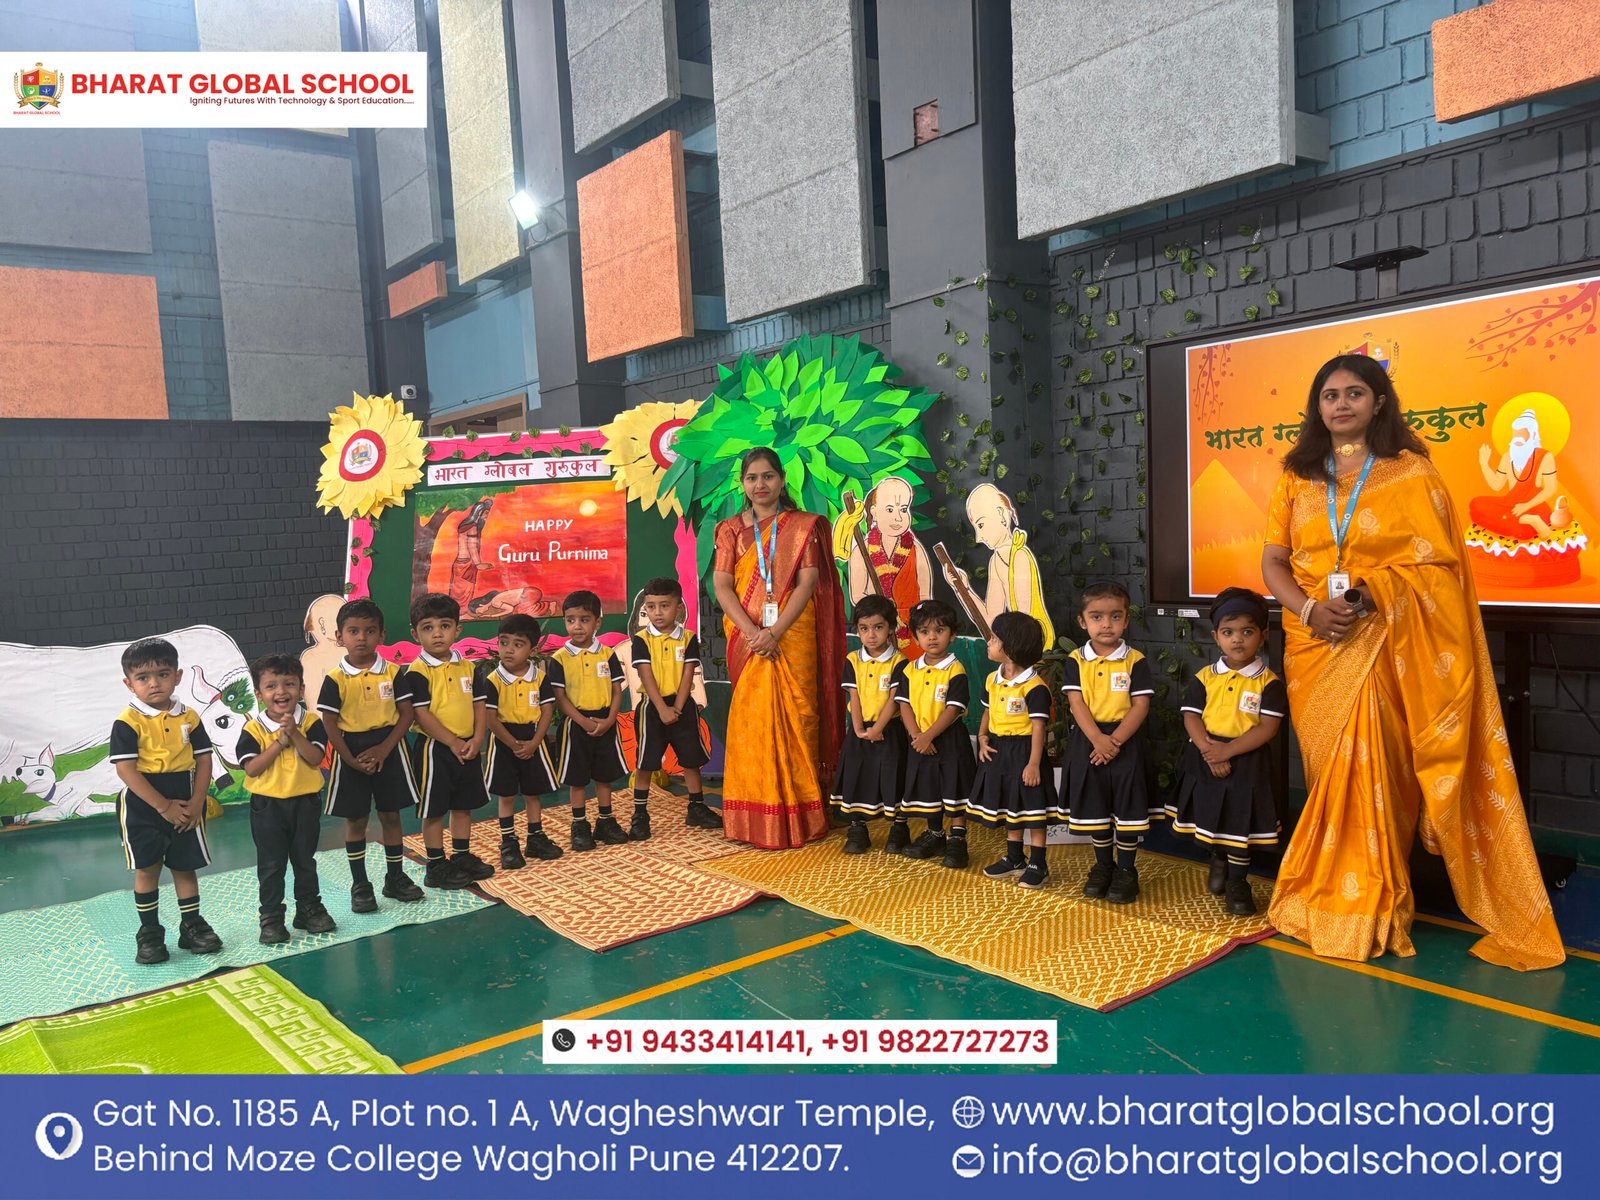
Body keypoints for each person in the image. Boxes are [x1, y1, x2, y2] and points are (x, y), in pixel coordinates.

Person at [1261, 353, 1563, 969]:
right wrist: (1310, 610)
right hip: (1315, 643)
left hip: (1386, 641)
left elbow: (1440, 571)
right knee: (1330, 774)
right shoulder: (1296, 476)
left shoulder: (1411, 471)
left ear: (1379, 402)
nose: (1341, 404)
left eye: (1354, 393)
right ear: (1317, 407)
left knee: (1378, 777)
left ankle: (1371, 906)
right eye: (1329, 395)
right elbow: (1273, 561)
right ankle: (1320, 898)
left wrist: (1376, 592)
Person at [712, 447, 847, 849]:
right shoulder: (730, 531)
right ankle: (755, 817)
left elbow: (808, 582)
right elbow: (722, 586)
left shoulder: (803, 527)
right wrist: (754, 633)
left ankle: (805, 814)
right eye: (752, 478)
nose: (760, 485)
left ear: (782, 480)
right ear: (743, 484)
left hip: (793, 635)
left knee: (800, 717)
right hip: (748, 640)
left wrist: (774, 632)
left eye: (768, 476)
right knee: (752, 724)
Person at [1165, 588, 1286, 917]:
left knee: (1239, 824)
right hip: (1206, 757)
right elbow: (1191, 717)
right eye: (1229, 632)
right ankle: (1217, 860)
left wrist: (1228, 751)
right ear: (1216, 637)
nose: (1238, 640)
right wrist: (1209, 751)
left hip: (1246, 761)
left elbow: (1267, 728)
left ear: (1263, 636)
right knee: (1213, 817)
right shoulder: (1204, 678)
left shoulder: (1269, 683)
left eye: (1247, 631)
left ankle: (1238, 882)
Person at [109, 637, 222, 964]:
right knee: (148, 868)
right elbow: (126, 770)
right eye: (143, 677)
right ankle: (150, 933)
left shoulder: (190, 716)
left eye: (162, 674)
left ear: (178, 676)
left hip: (186, 799)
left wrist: (198, 801)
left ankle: (192, 926)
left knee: (185, 867)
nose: (154, 683)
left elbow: (204, 759)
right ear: (129, 684)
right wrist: (163, 806)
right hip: (143, 804)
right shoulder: (127, 722)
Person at [317, 599, 425, 911]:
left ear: (382, 635)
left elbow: (406, 714)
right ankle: (360, 885)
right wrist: (350, 760)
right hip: (350, 751)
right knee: (356, 819)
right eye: (353, 631)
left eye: (369, 631)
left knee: (391, 816)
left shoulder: (393, 672)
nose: (361, 637)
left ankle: (395, 877)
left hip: (389, 748)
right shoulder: (334, 679)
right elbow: (329, 723)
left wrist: (384, 749)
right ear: (340, 637)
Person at [1062, 580, 1157, 903]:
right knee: (1096, 808)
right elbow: (1076, 703)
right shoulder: (1075, 659)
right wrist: (1097, 740)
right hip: (1088, 742)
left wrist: (1113, 742)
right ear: (1082, 621)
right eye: (1097, 617)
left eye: (1115, 616)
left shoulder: (1135, 660)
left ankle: (1127, 871)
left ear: (1126, 620)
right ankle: (1103, 866)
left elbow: (1140, 705)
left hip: (1125, 742)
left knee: (1128, 811)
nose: (1106, 624)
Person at [236, 654, 336, 944]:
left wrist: (294, 734)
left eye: (289, 684)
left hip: (306, 803)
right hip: (267, 807)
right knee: (271, 865)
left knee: (305, 860)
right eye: (271, 686)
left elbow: (315, 758)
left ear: (301, 689)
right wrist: (279, 743)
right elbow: (252, 768)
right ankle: (271, 918)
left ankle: (308, 909)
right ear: (259, 694)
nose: (281, 691)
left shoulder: (311, 722)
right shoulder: (253, 729)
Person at [400, 593, 495, 889]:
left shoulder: (469, 668)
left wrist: (478, 738)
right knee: (434, 809)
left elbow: (480, 704)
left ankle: (461, 855)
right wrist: (452, 742)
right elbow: (421, 713)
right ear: (415, 634)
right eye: (428, 628)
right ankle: (436, 864)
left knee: (463, 805)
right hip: (435, 750)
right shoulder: (417, 672)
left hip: (468, 747)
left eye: (444, 626)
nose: (437, 633)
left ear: (458, 629)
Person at [968, 612, 1059, 889]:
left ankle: (1038, 863)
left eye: (994, 638)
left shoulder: (1035, 687)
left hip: (1025, 751)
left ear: (1011, 646)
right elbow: (987, 712)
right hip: (999, 749)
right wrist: (983, 737)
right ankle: (1015, 858)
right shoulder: (991, 680)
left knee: (1032, 809)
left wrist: (1033, 764)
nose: (989, 642)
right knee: (1011, 806)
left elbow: (1039, 727)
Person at [629, 576, 719, 839]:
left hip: (682, 707)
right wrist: (662, 709)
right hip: (652, 706)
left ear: (679, 607)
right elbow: (645, 675)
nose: (657, 613)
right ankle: (640, 814)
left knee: (691, 759)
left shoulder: (688, 638)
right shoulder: (641, 640)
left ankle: (696, 807)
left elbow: (688, 673)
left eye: (664, 606)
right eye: (651, 607)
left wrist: (677, 708)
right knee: (646, 762)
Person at [893, 599, 978, 866]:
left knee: (954, 788)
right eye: (925, 631)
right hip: (919, 741)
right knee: (929, 787)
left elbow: (953, 709)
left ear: (952, 635)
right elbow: (904, 704)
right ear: (915, 636)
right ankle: (935, 834)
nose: (932, 637)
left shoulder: (955, 670)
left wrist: (928, 736)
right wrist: (916, 736)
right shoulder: (910, 670)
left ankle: (957, 840)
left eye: (939, 630)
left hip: (949, 742)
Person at [549, 589, 628, 851]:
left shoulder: (607, 654)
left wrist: (609, 720)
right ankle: (579, 825)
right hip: (576, 725)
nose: (577, 626)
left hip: (606, 722)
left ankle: (605, 821)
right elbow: (560, 698)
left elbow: (617, 690)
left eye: (584, 619)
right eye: (570, 620)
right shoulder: (559, 658)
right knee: (578, 779)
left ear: (597, 623)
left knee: (605, 776)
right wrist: (583, 722)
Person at [831, 594, 908, 854]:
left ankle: (899, 828)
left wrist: (878, 729)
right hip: (859, 729)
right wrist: (859, 730)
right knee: (856, 775)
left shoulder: (899, 662)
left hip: (890, 730)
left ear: (891, 628)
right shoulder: (853, 660)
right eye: (864, 628)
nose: (871, 635)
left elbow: (895, 700)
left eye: (878, 627)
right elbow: (853, 696)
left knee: (893, 776)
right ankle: (857, 828)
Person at [483, 614, 560, 870]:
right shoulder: (493, 680)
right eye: (504, 642)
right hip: (504, 741)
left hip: (533, 739)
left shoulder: (539, 677)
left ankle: (535, 838)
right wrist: (514, 745)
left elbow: (547, 711)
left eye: (518, 644)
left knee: (532, 792)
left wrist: (535, 742)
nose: (508, 650)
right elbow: (491, 718)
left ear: (533, 650)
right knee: (506, 795)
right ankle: (508, 843)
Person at [941, 482, 1056, 650]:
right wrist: (963, 588)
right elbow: (990, 621)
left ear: (1001, 515)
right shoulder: (996, 560)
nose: (978, 537)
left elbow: (1024, 623)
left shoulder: (1020, 555)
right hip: (1015, 647)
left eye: (980, 525)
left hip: (1035, 646)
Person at [835, 476, 933, 653]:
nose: (898, 517)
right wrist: (882, 616)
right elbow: (858, 596)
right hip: (877, 633)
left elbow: (925, 596)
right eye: (889, 509)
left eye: (903, 509)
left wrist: (920, 625)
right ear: (874, 511)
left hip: (913, 633)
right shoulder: (861, 552)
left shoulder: (916, 549)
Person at [1470, 409, 1563, 539]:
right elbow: (1496, 485)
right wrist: (1484, 464)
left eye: (1521, 433)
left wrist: (1526, 506)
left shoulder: (1544, 456)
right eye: (1515, 433)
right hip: (1510, 504)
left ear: (1533, 434)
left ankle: (1530, 521)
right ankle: (1525, 520)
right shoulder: (1507, 457)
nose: (1517, 437)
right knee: (1476, 504)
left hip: (1534, 505)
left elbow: (1550, 489)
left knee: (1510, 521)